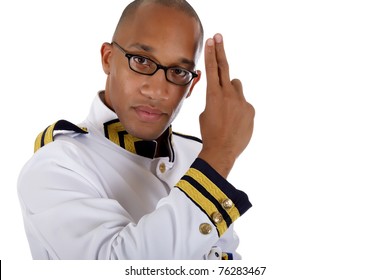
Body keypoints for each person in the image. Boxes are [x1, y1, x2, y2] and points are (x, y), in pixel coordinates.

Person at [17, 0, 255, 260]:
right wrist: (220, 154)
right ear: (108, 58)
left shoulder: (196, 155)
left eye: (178, 71)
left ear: (192, 85)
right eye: (141, 60)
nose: (157, 91)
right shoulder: (56, 165)